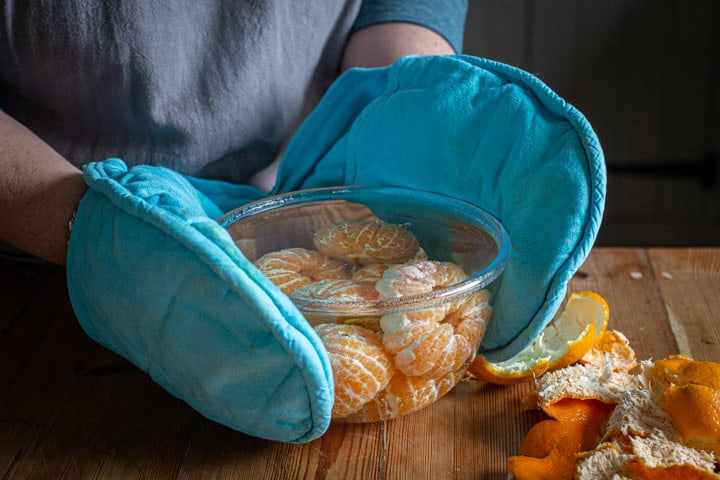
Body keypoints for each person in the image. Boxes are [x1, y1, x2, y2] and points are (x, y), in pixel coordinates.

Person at [0, 1, 467, 265]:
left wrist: (394, 108)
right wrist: (95, 234)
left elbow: (398, 12)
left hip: (280, 210)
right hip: (34, 253)